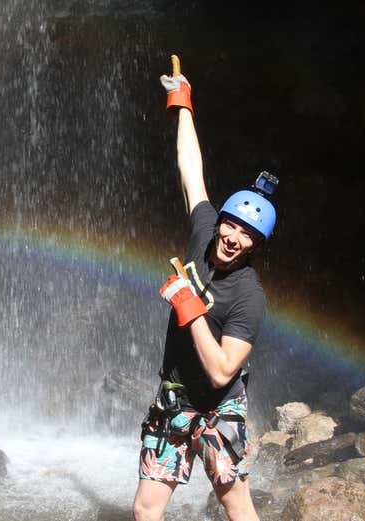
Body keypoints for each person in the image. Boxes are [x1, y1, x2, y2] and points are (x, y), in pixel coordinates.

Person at [132, 56, 277, 521]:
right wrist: (184, 105)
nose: (234, 238)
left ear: (256, 245)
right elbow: (189, 169)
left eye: (247, 235)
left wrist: (189, 308)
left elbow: (220, 371)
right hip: (173, 398)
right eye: (231, 226)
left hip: (217, 411)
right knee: (144, 510)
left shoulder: (249, 297)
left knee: (238, 509)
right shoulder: (204, 231)